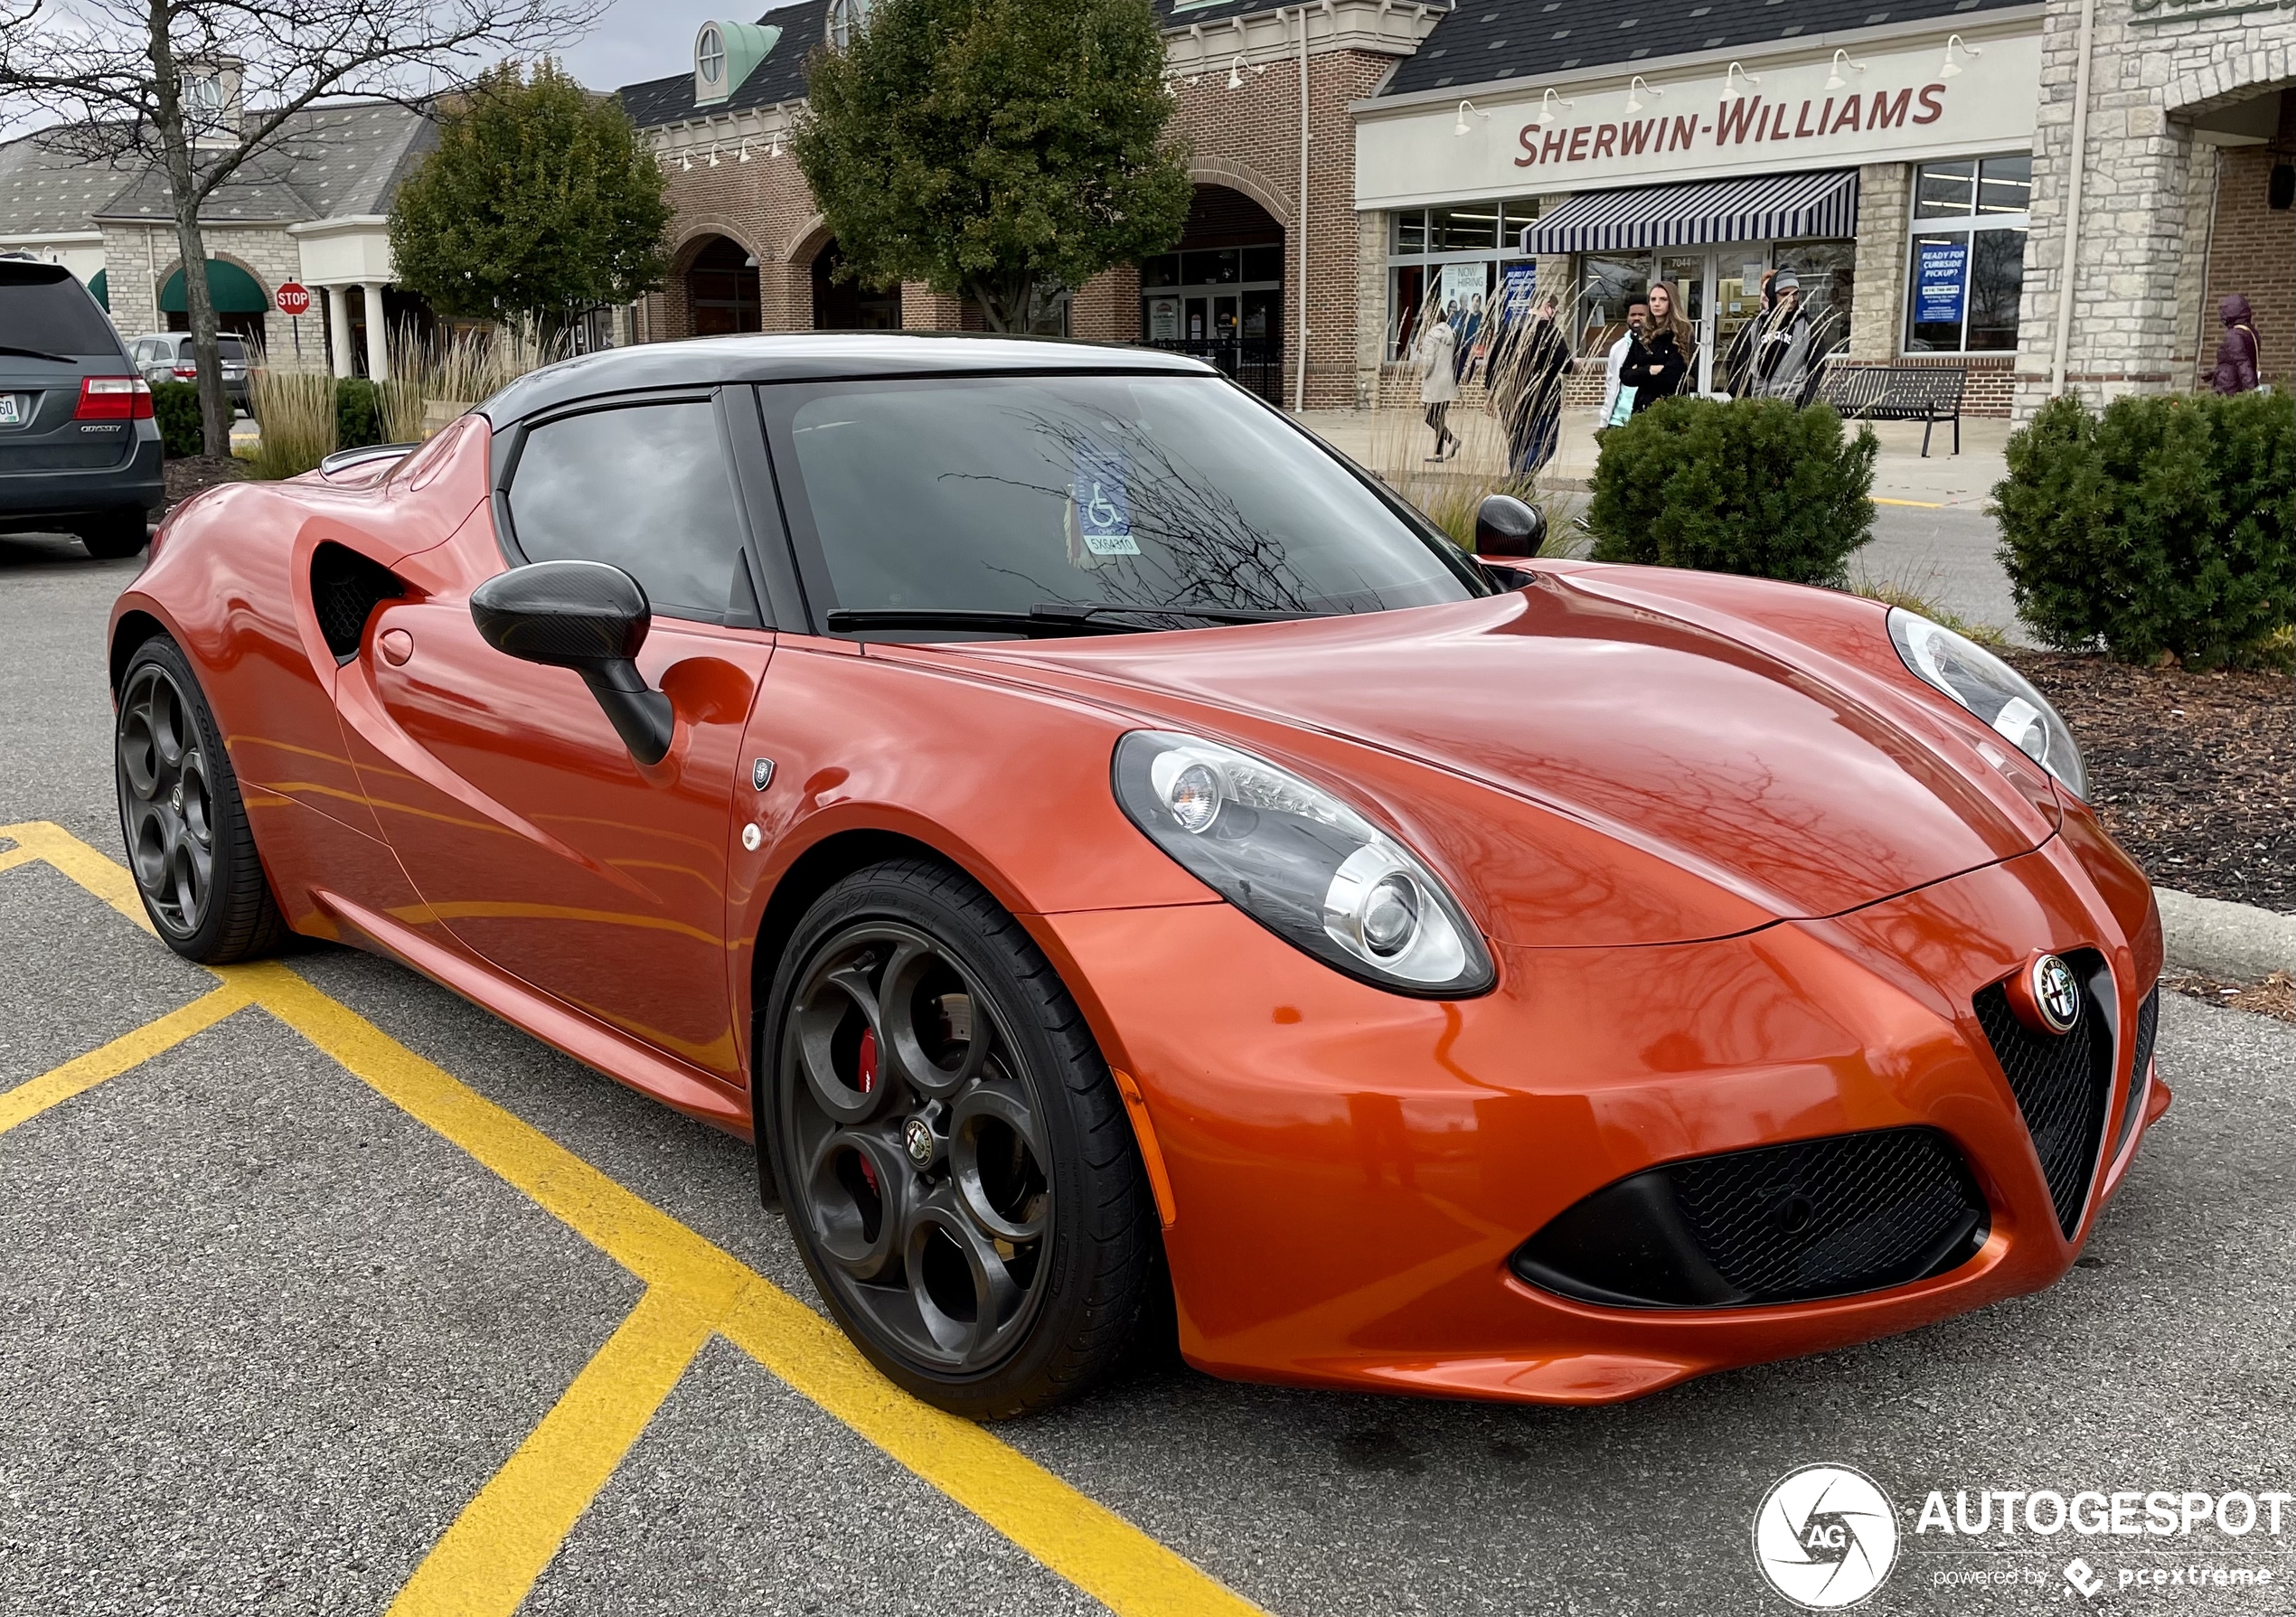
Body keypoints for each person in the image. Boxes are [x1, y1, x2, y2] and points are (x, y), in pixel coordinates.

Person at [1490, 294, 1576, 479]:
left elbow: (1492, 364)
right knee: (1545, 444)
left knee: (1517, 447)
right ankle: (1518, 479)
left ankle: (1517, 496)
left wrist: (1491, 394)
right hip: (1542, 402)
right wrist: (1578, 364)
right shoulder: (1549, 331)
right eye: (1555, 310)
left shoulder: (1508, 328)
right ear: (1547, 307)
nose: (1555, 314)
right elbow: (1566, 365)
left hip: (1510, 402)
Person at [1617, 279, 1690, 416]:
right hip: (1642, 406)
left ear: (1672, 302)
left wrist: (1639, 372)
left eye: (1663, 299)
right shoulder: (1642, 334)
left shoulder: (1681, 334)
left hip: (1672, 406)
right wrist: (1650, 370)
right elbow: (1625, 376)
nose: (1657, 304)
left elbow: (1672, 378)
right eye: (1653, 299)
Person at [1752, 268, 1819, 400]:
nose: (1791, 299)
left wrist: (1804, 402)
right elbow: (1740, 362)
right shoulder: (1756, 326)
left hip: (1790, 403)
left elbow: (1817, 368)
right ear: (1773, 294)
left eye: (1795, 294)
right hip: (1756, 403)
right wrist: (1744, 397)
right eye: (1785, 294)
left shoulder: (1808, 326)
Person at [1416, 305, 1460, 461]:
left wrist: (1422, 376)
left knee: (1430, 417)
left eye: (1427, 314)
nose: (1425, 317)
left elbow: (1429, 362)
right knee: (1439, 417)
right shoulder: (1450, 332)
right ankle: (1438, 454)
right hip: (1448, 381)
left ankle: (1453, 440)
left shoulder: (1430, 336)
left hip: (1434, 381)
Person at [1724, 270, 1776, 398]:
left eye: (1770, 291)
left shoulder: (1799, 328)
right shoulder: (1750, 327)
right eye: (1763, 291)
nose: (1765, 296)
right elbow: (1733, 360)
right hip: (1750, 403)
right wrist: (1739, 392)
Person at [1601, 297, 1649, 428]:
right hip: (1618, 421)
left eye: (1642, 314)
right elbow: (1610, 385)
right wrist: (1604, 421)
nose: (1636, 318)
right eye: (1633, 314)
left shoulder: (1658, 347)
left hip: (1645, 420)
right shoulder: (1618, 347)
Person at [2213, 294, 2261, 394]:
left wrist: (2252, 390)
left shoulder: (2234, 335)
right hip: (2235, 387)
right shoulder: (2250, 333)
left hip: (2230, 391)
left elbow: (2243, 363)